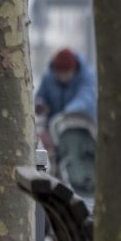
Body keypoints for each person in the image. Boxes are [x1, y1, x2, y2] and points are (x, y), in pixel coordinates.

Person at [35, 47, 97, 193]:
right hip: (54, 133)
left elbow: (86, 100)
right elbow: (40, 96)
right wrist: (40, 105)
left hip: (78, 133)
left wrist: (65, 115)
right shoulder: (49, 77)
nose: (62, 77)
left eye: (66, 74)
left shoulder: (87, 77)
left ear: (74, 70)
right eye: (59, 74)